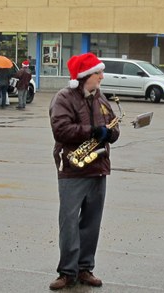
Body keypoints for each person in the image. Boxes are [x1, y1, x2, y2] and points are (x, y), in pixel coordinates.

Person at [48, 52, 120, 290]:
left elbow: (113, 127)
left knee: (92, 222)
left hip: (98, 166)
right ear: (86, 75)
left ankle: (85, 268)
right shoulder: (64, 97)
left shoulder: (100, 98)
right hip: (72, 167)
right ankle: (67, 271)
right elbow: (60, 129)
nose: (102, 76)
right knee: (69, 222)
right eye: (98, 72)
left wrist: (110, 133)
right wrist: (91, 131)